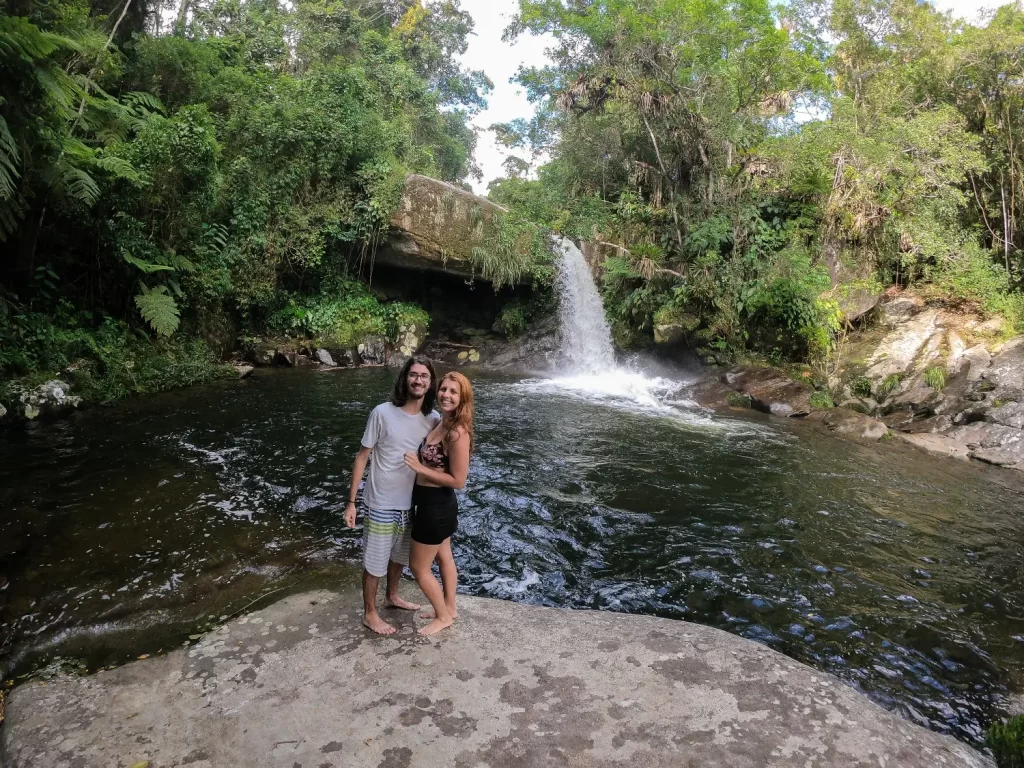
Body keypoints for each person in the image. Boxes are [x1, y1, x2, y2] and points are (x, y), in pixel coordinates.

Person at [344, 357, 440, 635]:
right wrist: (351, 502)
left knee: (399, 556)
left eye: (424, 376)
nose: (418, 380)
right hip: (381, 502)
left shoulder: (433, 420)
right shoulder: (382, 413)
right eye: (413, 375)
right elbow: (362, 457)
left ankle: (392, 596)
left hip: (411, 503)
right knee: (375, 562)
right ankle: (370, 613)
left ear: (430, 382)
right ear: (404, 379)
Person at [403, 371, 474, 636]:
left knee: (419, 568)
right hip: (433, 504)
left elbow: (458, 480)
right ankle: (450, 608)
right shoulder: (441, 423)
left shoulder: (457, 432)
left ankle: (443, 617)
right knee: (445, 557)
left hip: (436, 507)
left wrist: (420, 468)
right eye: (444, 389)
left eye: (453, 392)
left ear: (462, 398)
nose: (446, 395)